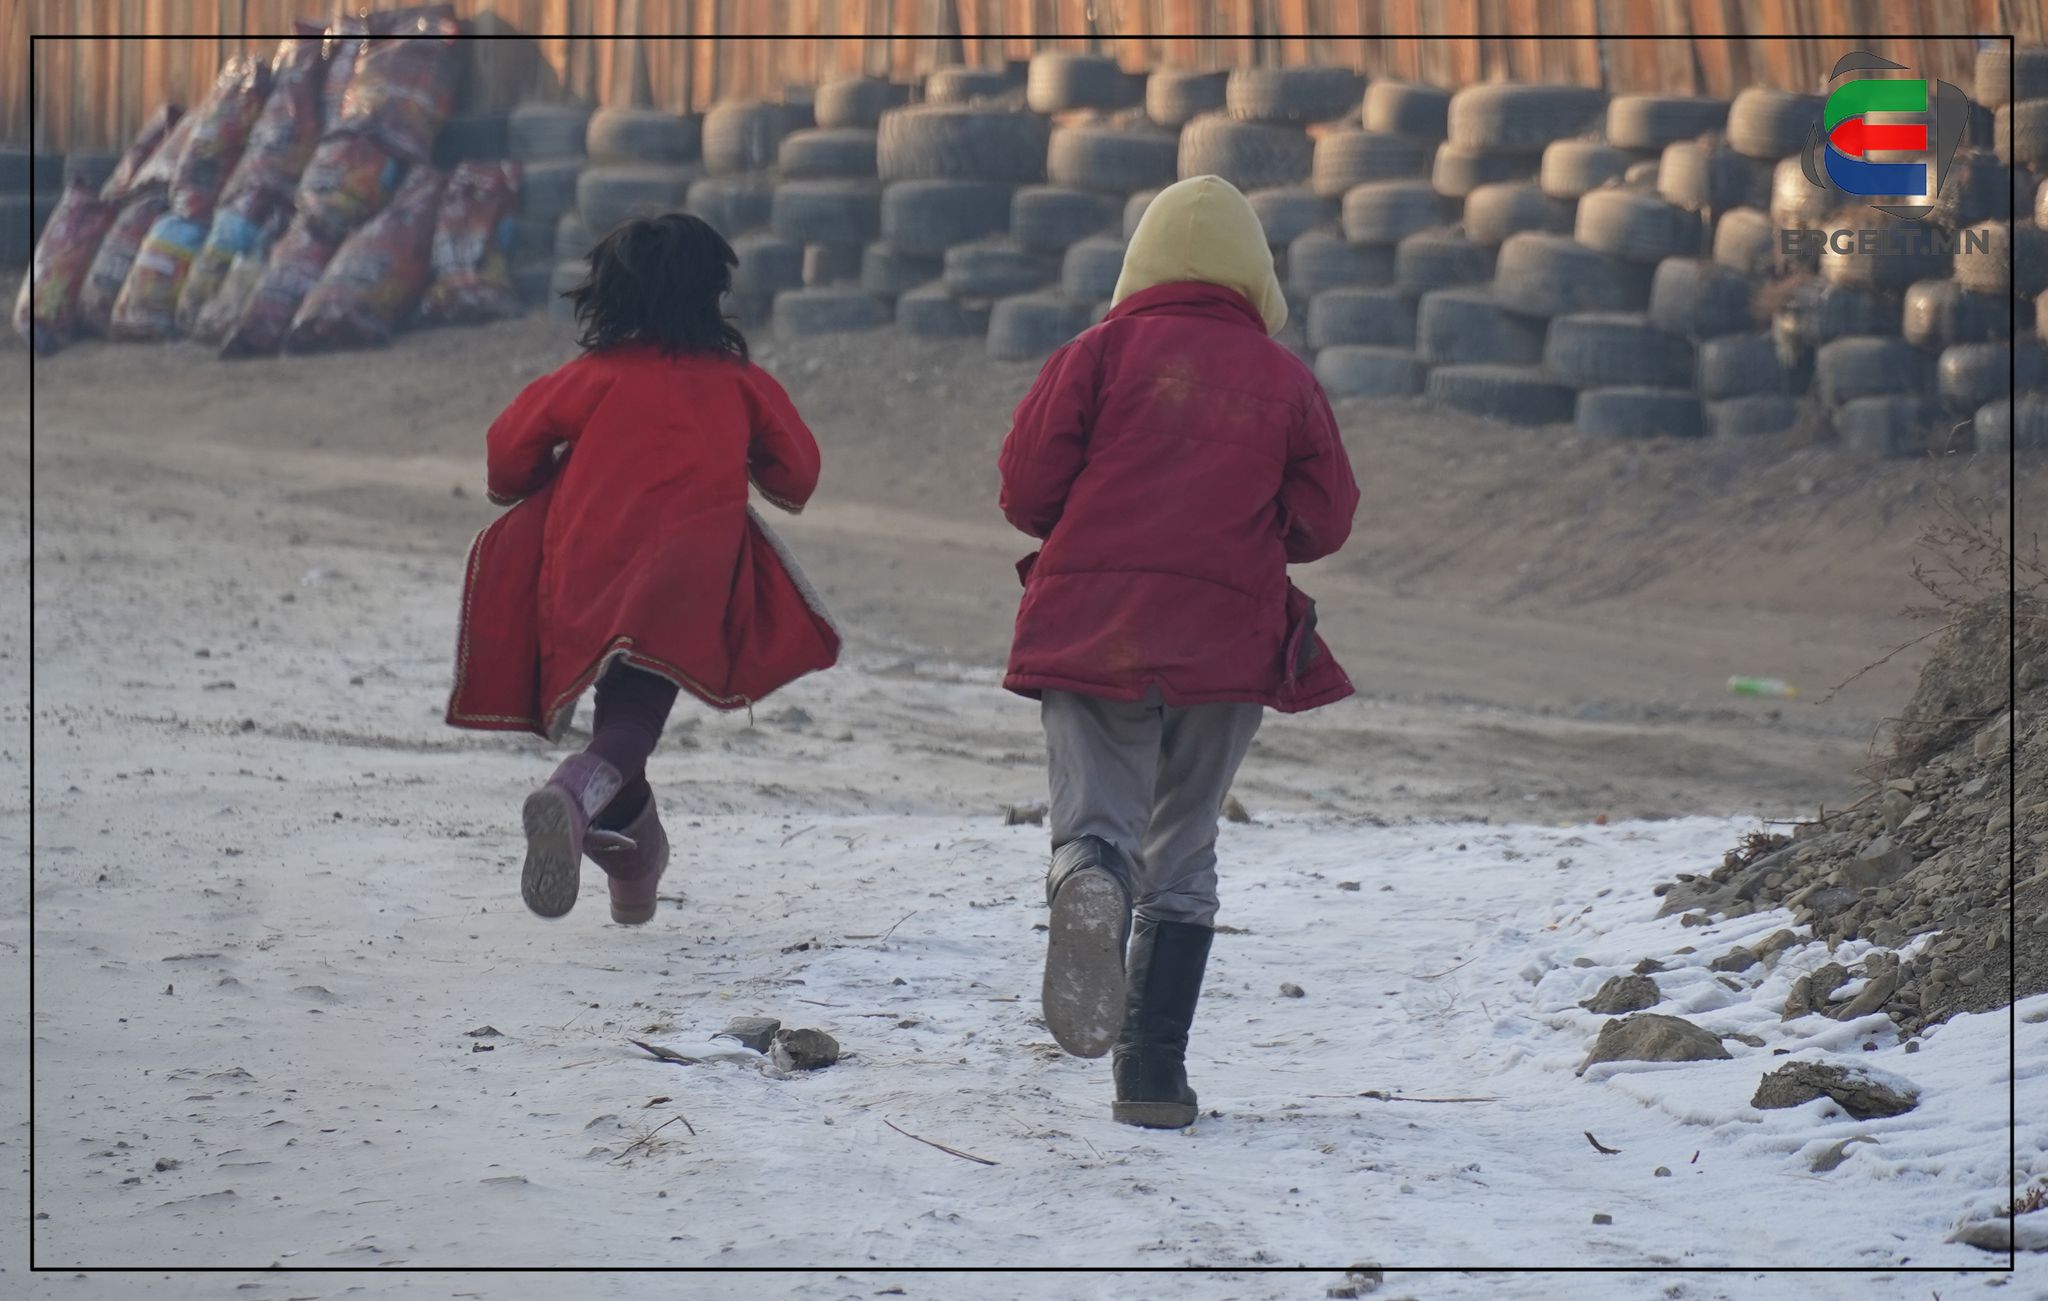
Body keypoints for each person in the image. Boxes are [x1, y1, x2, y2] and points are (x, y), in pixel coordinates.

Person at [997, 174, 1361, 1129]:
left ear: (1140, 262)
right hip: (1226, 636)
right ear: (1256, 277)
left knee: (1099, 824)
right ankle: (1152, 1076)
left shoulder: (1095, 354)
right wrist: (1248, 527)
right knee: (1185, 845)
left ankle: (1090, 877)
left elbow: (1026, 491)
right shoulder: (1285, 379)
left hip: (1094, 621)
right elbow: (1327, 519)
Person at [446, 213, 839, 925]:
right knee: (631, 720)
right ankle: (572, 796)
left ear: (606, 294)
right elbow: (798, 475)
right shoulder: (739, 383)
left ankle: (633, 878)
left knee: (619, 719)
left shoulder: (588, 378)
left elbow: (506, 456)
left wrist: (544, 474)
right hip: (690, 571)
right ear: (711, 293)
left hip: (585, 561)